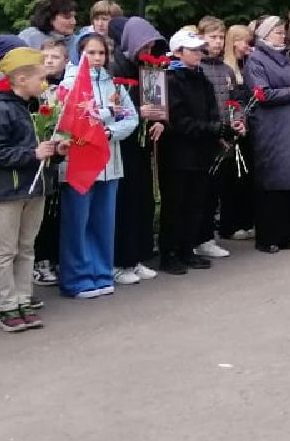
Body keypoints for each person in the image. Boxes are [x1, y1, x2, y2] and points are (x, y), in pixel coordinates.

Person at [0, 47, 57, 331]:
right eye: (40, 78)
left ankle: (24, 299)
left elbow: (39, 149)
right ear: (21, 79)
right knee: (6, 250)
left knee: (26, 248)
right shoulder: (0, 111)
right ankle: (7, 305)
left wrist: (55, 150)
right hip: (8, 192)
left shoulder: (33, 108)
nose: (44, 83)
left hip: (34, 188)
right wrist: (33, 154)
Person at [56, 34, 138, 297]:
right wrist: (107, 115)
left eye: (101, 53)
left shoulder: (113, 83)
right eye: (91, 53)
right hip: (78, 164)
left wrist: (110, 132)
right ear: (79, 53)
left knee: (104, 222)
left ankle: (101, 273)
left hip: (110, 162)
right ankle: (76, 278)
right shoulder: (69, 84)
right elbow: (70, 120)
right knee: (78, 224)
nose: (97, 58)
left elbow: (130, 116)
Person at [159, 28, 237, 272]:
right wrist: (214, 129)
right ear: (178, 52)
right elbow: (179, 120)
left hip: (201, 151)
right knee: (176, 203)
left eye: (199, 50)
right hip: (178, 153)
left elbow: (212, 109)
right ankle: (169, 253)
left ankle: (187, 248)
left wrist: (219, 132)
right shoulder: (170, 79)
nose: (198, 54)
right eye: (192, 50)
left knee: (196, 202)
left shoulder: (201, 77)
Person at [246, 18, 290, 252]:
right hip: (271, 126)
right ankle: (268, 236)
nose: (282, 37)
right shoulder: (256, 60)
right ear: (265, 36)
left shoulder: (285, 57)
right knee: (272, 179)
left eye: (282, 32)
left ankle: (286, 233)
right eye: (277, 33)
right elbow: (261, 94)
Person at [111, 17, 167, 281]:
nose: (148, 51)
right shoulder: (118, 66)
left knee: (142, 199)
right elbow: (116, 103)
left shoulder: (147, 67)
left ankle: (137, 255)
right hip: (124, 143)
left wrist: (158, 120)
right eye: (145, 46)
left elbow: (156, 101)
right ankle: (122, 259)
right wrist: (137, 109)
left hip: (142, 140)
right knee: (127, 201)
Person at [217, 24, 256, 241]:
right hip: (230, 127)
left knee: (244, 176)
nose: (247, 46)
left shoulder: (246, 64)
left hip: (244, 125)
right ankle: (228, 224)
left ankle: (244, 219)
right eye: (244, 42)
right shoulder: (227, 67)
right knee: (230, 177)